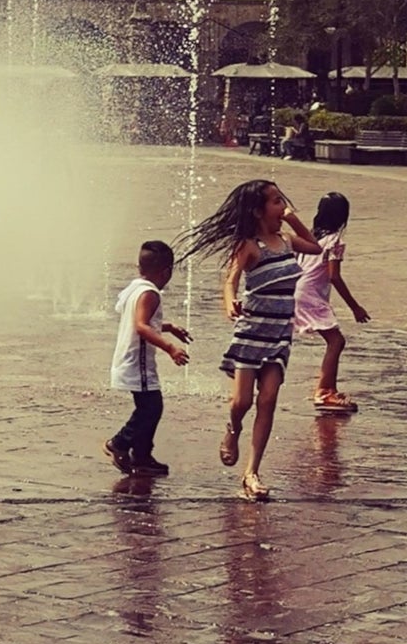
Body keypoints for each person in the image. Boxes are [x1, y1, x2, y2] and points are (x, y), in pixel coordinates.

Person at [182, 178, 321, 501]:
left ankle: (251, 473)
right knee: (241, 403)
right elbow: (230, 281)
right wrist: (229, 301)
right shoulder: (248, 246)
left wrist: (292, 217)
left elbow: (314, 247)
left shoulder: (287, 241)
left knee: (268, 399)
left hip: (279, 334)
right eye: (275, 201)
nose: (281, 205)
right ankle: (233, 429)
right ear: (258, 211)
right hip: (252, 332)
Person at [105, 241, 191, 477]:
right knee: (151, 408)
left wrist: (168, 326)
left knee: (149, 407)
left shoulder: (134, 288)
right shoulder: (150, 293)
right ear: (167, 271)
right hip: (138, 362)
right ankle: (120, 443)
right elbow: (141, 327)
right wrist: (170, 348)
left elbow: (140, 322)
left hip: (128, 359)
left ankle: (142, 456)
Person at [294, 191, 370, 412]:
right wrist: (355, 307)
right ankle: (325, 391)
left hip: (299, 290)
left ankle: (326, 389)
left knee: (334, 341)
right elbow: (334, 276)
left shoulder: (309, 235)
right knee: (336, 341)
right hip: (310, 294)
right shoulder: (335, 241)